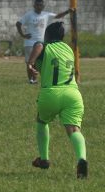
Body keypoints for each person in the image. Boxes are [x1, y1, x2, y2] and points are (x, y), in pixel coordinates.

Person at [27, 22, 88, 179]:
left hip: (51, 94)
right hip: (73, 95)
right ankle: (82, 159)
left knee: (41, 121)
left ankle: (44, 159)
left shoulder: (45, 46)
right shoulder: (68, 49)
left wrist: (30, 63)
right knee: (74, 130)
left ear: (47, 36)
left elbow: (39, 46)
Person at [16, 0, 70, 83]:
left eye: (40, 5)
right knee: (29, 62)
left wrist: (68, 11)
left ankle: (36, 77)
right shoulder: (29, 15)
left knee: (39, 62)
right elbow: (18, 23)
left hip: (42, 43)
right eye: (37, 5)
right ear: (34, 6)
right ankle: (31, 80)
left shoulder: (46, 15)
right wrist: (23, 35)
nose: (39, 6)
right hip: (30, 43)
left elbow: (58, 16)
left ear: (43, 6)